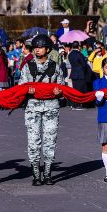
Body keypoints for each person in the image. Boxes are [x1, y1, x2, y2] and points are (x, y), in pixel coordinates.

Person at [18, 34, 65, 185]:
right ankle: (36, 174)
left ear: (47, 49)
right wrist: (27, 91)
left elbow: (62, 87)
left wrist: (60, 93)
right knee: (33, 142)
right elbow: (20, 87)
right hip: (33, 108)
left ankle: (48, 173)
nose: (37, 50)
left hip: (51, 107)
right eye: (35, 48)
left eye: (40, 47)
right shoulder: (27, 67)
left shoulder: (55, 67)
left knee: (50, 141)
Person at [66, 42, 90, 110]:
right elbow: (84, 64)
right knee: (81, 90)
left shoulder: (70, 54)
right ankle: (78, 105)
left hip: (73, 73)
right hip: (80, 74)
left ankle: (74, 105)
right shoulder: (79, 54)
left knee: (75, 90)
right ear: (79, 47)